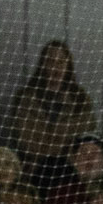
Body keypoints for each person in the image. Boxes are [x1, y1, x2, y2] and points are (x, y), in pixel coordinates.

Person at [9, 42, 96, 182]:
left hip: (68, 175)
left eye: (61, 62)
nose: (56, 68)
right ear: (43, 65)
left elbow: (85, 142)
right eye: (51, 61)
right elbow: (21, 139)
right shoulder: (25, 99)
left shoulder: (80, 101)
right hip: (31, 173)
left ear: (68, 66)